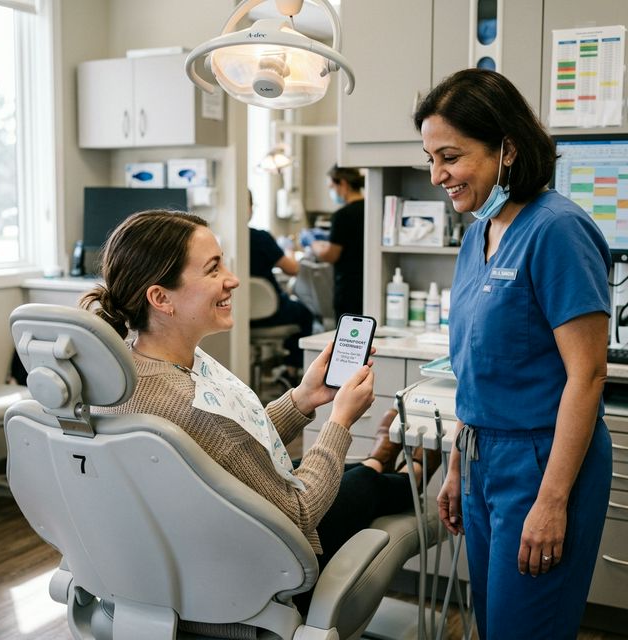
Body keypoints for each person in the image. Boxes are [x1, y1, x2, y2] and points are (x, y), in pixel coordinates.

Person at [80, 209, 432, 635]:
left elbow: (231, 445)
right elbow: (300, 518)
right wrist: (340, 420)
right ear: (161, 298)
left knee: (354, 472)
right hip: (249, 587)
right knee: (362, 483)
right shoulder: (190, 405)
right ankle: (406, 467)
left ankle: (381, 458)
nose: (233, 279)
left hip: (169, 574)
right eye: (213, 269)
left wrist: (303, 399)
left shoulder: (125, 375)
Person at [414, 68, 612, 640]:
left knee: (527, 627)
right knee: (494, 621)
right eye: (430, 158)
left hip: (542, 462)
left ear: (507, 149)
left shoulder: (557, 230)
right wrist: (456, 466)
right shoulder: (478, 233)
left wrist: (552, 500)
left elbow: (588, 374)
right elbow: (475, 368)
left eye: (450, 156)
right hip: (481, 456)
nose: (437, 175)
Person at [248, 190, 313, 382]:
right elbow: (292, 269)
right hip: (271, 314)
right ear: (249, 207)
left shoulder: (221, 240)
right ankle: (292, 370)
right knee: (305, 314)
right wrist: (289, 249)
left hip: (239, 316)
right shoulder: (260, 238)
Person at [309, 165, 365, 319]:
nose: (331, 192)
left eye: (331, 186)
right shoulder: (371, 208)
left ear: (343, 184)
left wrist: (312, 243)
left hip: (349, 288)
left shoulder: (343, 215)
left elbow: (331, 255)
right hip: (368, 284)